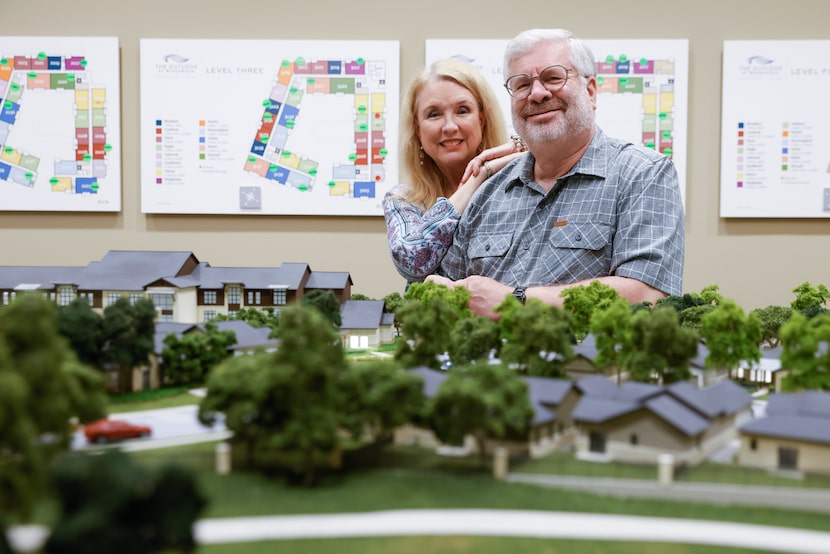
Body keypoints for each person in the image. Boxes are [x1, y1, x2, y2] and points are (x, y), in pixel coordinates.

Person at [427, 28, 685, 319]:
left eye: (553, 77)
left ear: (590, 91)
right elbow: (449, 289)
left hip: (588, 364)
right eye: (522, 84)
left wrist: (516, 302)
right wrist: (440, 290)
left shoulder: (644, 174)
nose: (536, 94)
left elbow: (647, 295)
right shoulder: (488, 191)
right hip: (484, 363)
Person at [383, 58, 526, 283]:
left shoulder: (519, 185)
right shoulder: (402, 201)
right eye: (433, 114)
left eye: (462, 110)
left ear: (482, 118)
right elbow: (412, 262)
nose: (450, 126)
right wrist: (476, 178)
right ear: (417, 129)